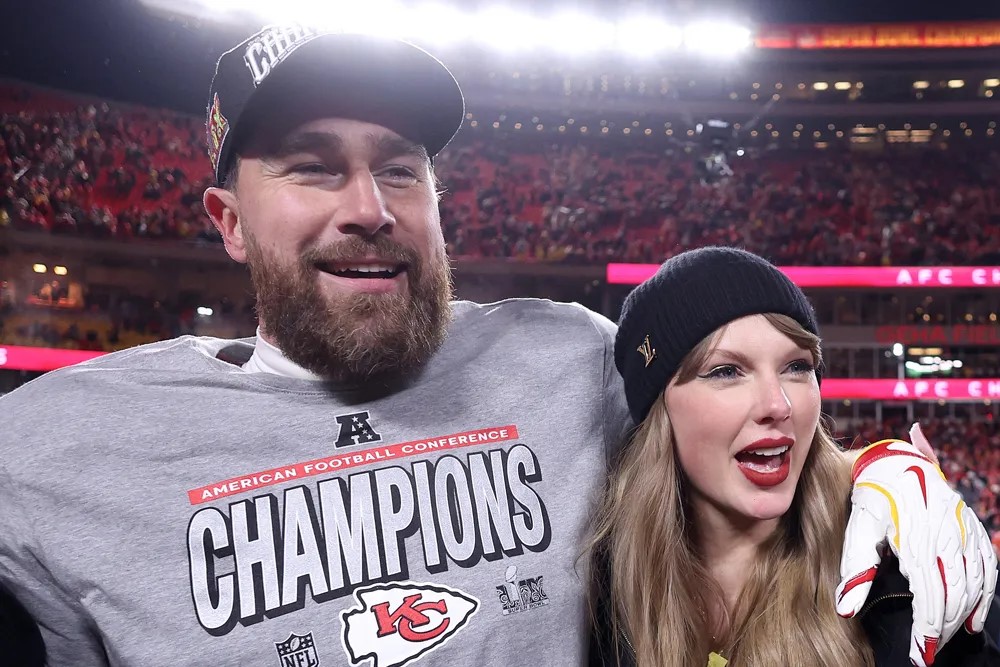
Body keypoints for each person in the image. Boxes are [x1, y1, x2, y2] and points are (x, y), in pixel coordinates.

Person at [0, 24, 993, 666]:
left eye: (401, 169)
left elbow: (737, 415)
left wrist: (874, 476)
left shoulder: (569, 357)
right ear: (227, 219)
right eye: (312, 167)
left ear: (439, 203)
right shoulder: (56, 447)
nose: (368, 206)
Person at [590, 247, 1000, 667]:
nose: (778, 404)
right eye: (726, 371)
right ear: (659, 413)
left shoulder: (901, 567)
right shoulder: (591, 587)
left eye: (797, 367)